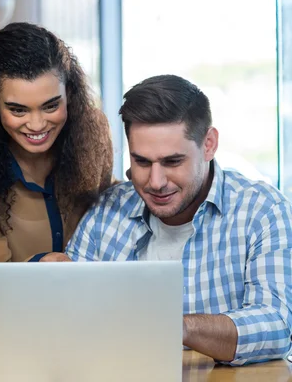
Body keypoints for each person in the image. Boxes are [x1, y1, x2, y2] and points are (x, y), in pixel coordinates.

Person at [62, 74, 292, 365]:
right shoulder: (107, 212)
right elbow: (68, 320)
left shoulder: (261, 210)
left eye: (172, 162)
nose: (155, 182)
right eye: (142, 161)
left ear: (209, 144)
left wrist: (175, 325)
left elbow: (276, 325)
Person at [0, 22, 114, 296]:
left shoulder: (94, 135)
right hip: (11, 324)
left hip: (91, 310)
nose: (36, 125)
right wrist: (38, 266)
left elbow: (106, 223)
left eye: (51, 105)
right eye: (18, 110)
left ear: (68, 92)